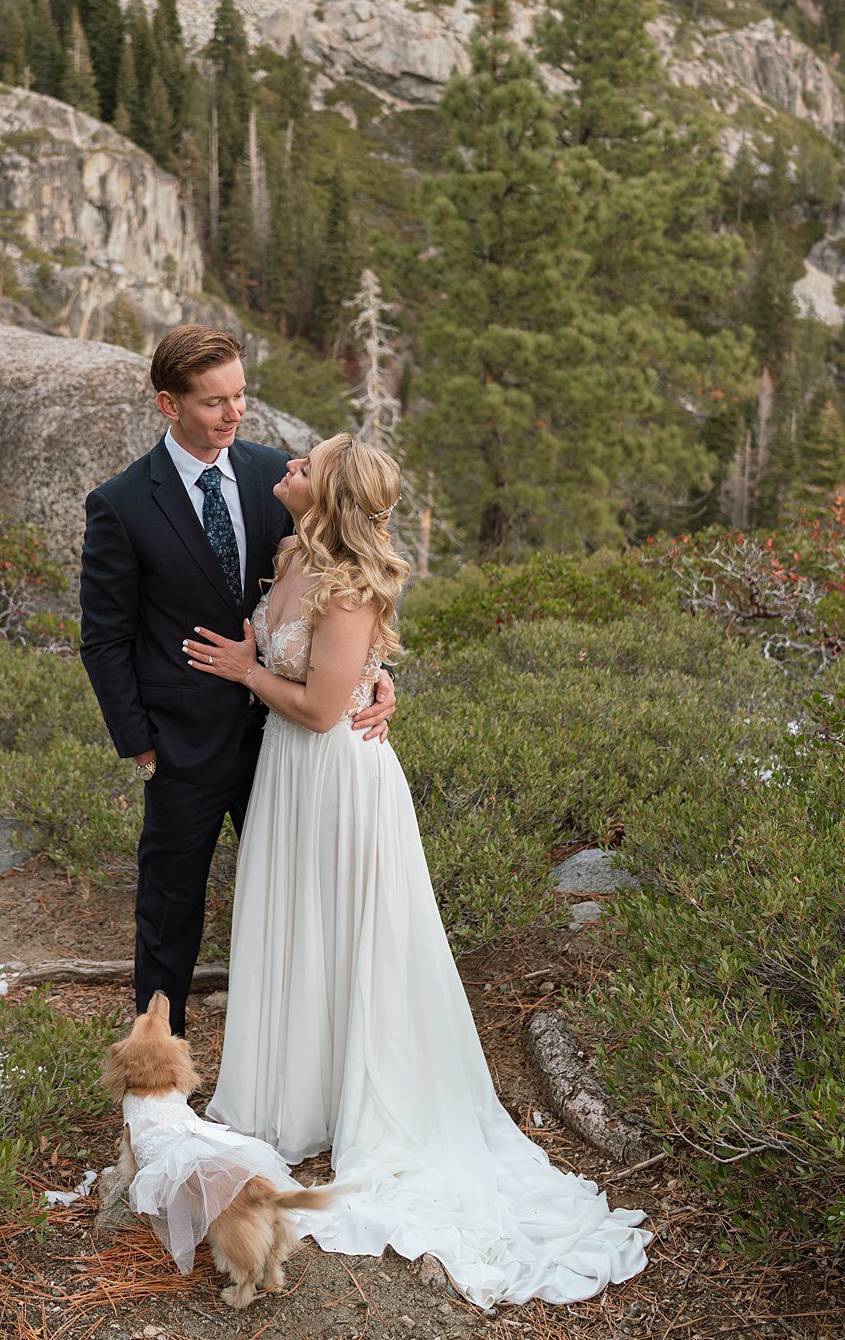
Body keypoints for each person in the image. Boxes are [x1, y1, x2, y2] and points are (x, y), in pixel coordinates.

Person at [191, 433, 653, 1312]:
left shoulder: (351, 585)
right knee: (305, 930)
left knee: (352, 938)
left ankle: (362, 1094)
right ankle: (300, 1093)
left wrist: (252, 668)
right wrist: (371, 672)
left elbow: (327, 708)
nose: (285, 462)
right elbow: (340, 673)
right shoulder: (290, 553)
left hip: (334, 779)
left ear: (324, 493)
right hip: (288, 779)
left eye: (305, 461)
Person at [79, 327, 396, 1040]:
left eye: (240, 395)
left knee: (299, 907)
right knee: (169, 911)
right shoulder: (122, 504)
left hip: (287, 747)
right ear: (169, 403)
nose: (234, 414)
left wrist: (375, 678)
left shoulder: (270, 476)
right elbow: (104, 638)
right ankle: (157, 1078)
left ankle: (302, 1054)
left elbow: (342, 581)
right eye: (215, 401)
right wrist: (139, 742)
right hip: (182, 746)